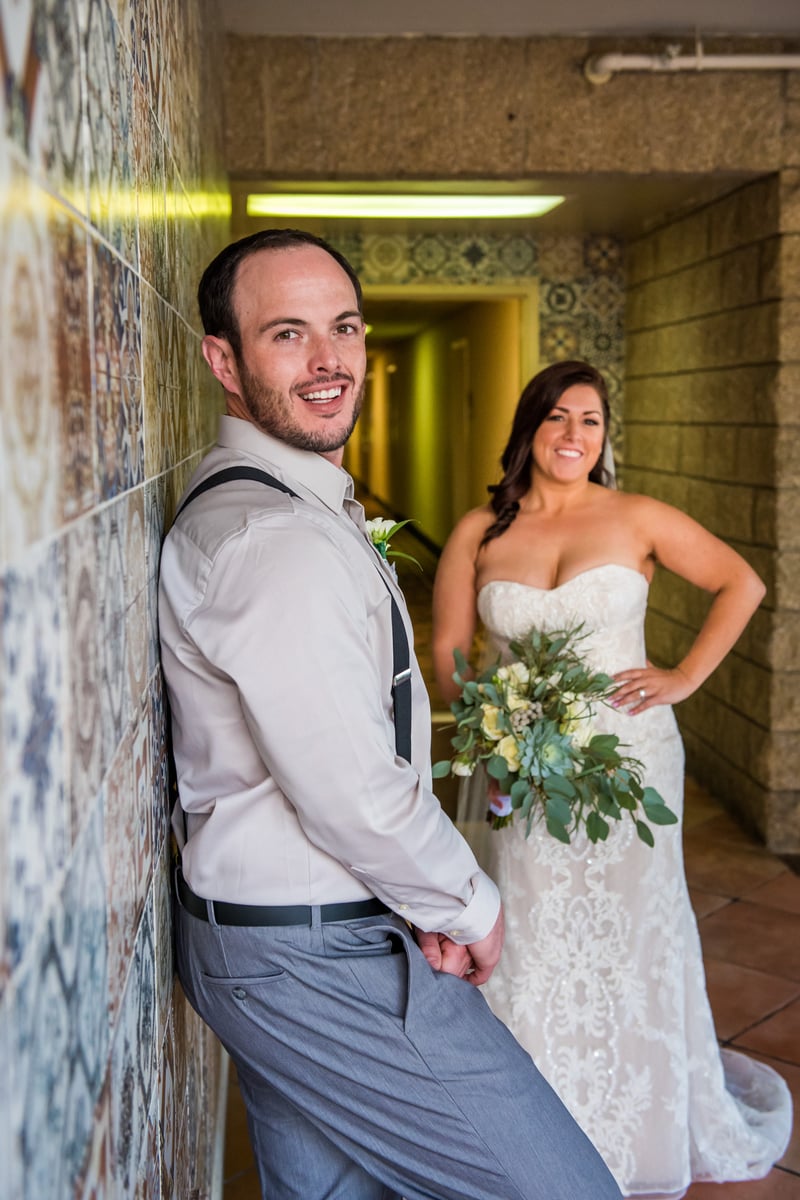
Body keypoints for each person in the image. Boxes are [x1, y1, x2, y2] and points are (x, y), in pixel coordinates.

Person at [158, 232, 623, 1200]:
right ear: (224, 361)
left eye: (343, 328)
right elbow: (352, 793)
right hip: (311, 956)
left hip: (286, 934)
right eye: (287, 334)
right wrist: (466, 902)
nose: (328, 360)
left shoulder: (285, 505)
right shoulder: (275, 540)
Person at [432, 359, 792, 1199]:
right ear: (528, 427)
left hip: (631, 763)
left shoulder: (638, 516)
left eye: (590, 420)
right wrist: (494, 734)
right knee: (531, 924)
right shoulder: (480, 531)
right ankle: (536, 1132)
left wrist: (684, 676)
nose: (574, 434)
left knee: (634, 924)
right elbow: (450, 653)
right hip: (526, 769)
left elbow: (742, 583)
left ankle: (642, 1125)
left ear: (605, 435)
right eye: (558, 416)